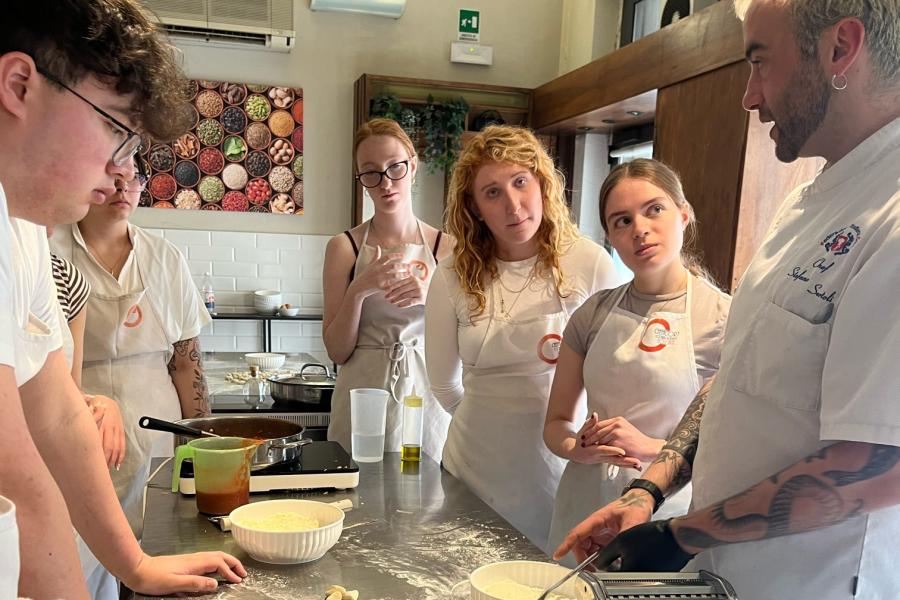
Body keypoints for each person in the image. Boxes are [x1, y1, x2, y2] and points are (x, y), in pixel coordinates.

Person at [554, 1, 900, 599]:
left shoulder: (890, 218)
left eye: (760, 63)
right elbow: (736, 378)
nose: (749, 96)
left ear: (840, 48)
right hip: (734, 571)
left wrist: (683, 533)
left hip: (815, 582)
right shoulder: (806, 202)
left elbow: (881, 463)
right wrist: (648, 492)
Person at [0, 1, 246, 597]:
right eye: (114, 127)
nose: (120, 169)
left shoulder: (24, 227)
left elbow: (56, 413)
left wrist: (133, 565)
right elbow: (17, 473)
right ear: (19, 85)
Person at [425, 125, 621, 551]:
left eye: (520, 182)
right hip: (472, 470)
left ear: (542, 184)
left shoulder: (589, 264)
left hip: (560, 468)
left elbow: (611, 375)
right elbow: (443, 383)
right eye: (492, 192)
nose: (513, 205)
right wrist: (492, 422)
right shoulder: (452, 275)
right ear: (474, 207)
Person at [543, 159, 731, 563]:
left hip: (666, 511)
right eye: (622, 221)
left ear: (683, 215)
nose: (640, 229)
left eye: (654, 209)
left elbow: (730, 449)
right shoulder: (591, 314)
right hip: (584, 502)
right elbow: (556, 423)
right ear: (610, 236)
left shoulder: (723, 318)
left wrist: (650, 448)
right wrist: (578, 447)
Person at [52, 158, 213, 595]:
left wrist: (201, 444)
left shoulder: (164, 256)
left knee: (161, 553)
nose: (125, 187)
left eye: (134, 178)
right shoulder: (52, 250)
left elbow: (186, 361)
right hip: (81, 430)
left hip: (157, 434)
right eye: (113, 176)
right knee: (84, 559)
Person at [324, 118, 453, 462]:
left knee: (424, 499)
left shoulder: (447, 248)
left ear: (413, 166)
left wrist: (432, 298)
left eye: (395, 167)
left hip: (426, 394)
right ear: (361, 180)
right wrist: (358, 291)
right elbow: (336, 351)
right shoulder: (344, 247)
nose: (385, 183)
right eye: (371, 173)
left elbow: (467, 342)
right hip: (361, 392)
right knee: (356, 497)